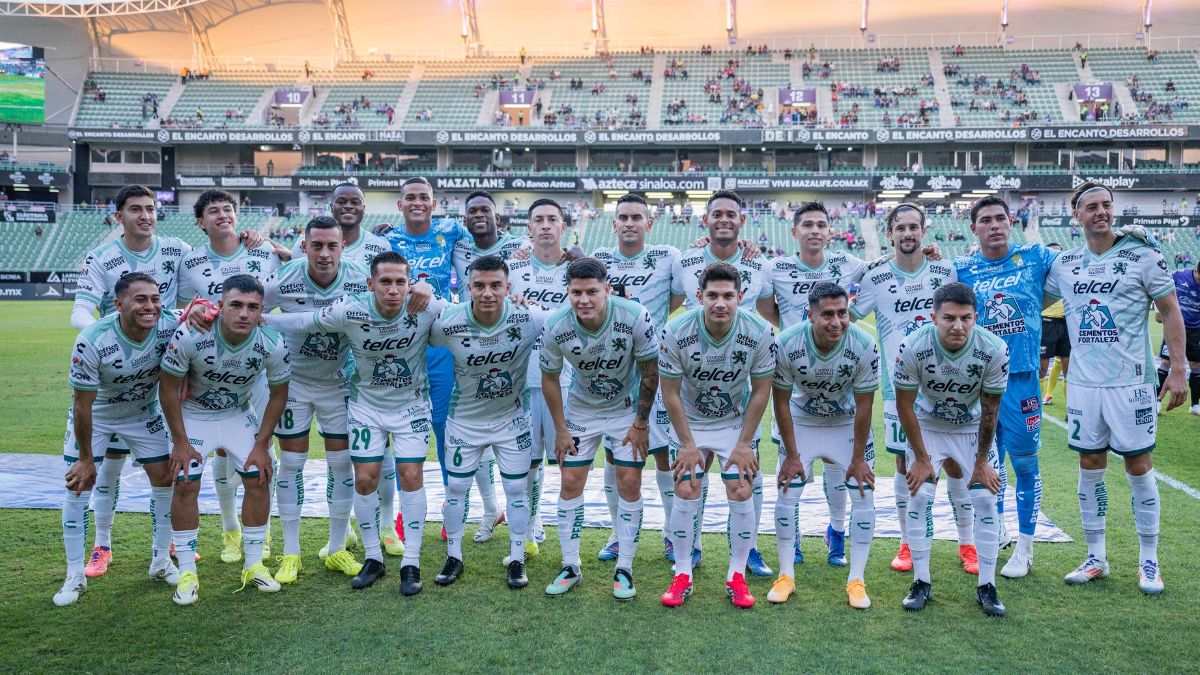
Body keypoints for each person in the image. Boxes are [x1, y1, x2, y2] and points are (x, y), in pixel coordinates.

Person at [265, 251, 444, 595]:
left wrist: (430, 288)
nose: (393, 290)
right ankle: (373, 557)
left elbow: (466, 315)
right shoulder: (351, 309)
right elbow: (305, 321)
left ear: (410, 284)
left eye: (400, 283)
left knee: (410, 476)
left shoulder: (426, 306)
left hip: (411, 408)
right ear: (370, 283)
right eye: (385, 282)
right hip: (366, 408)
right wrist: (263, 320)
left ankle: (412, 561)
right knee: (364, 479)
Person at [1045, 182, 1190, 594]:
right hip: (1085, 386)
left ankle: (1149, 561)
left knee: (1138, 467)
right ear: (1077, 216)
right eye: (1091, 207)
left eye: (1106, 205)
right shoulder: (1066, 264)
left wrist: (1178, 369)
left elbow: (1170, 311)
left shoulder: (1142, 255)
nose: (1101, 212)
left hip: (1132, 385)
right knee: (1090, 465)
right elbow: (1027, 291)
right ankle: (1096, 557)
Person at [69, 184, 192, 578]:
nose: (146, 216)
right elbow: (80, 312)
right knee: (108, 471)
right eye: (136, 209)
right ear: (118, 216)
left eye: (151, 209)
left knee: (164, 473)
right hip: (112, 374)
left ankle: (165, 549)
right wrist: (114, 343)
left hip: (154, 380)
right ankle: (102, 545)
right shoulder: (101, 257)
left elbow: (215, 266)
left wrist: (258, 241)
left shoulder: (176, 249)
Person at [848, 204, 976, 576]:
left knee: (953, 462)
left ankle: (966, 542)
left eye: (913, 227)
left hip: (949, 382)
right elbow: (848, 317)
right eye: (900, 228)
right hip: (898, 387)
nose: (907, 234)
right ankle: (907, 542)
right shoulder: (875, 278)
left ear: (923, 231)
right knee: (906, 464)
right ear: (890, 234)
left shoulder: (944, 271)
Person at [159, 275, 290, 605]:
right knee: (185, 482)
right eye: (236, 305)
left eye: (252, 307)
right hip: (193, 416)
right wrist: (179, 440)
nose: (244, 313)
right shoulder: (193, 332)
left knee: (260, 477)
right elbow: (168, 389)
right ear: (220, 306)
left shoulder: (271, 341)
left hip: (236, 413)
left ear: (262, 311)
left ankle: (254, 564)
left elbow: (278, 395)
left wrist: (262, 444)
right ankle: (187, 572)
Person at [55, 273, 183, 606]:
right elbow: (82, 403)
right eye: (140, 299)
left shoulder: (169, 324)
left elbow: (205, 317)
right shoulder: (92, 339)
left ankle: (160, 561)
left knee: (165, 480)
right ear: (118, 304)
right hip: (97, 417)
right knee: (77, 486)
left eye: (155, 298)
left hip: (143, 413)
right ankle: (74, 575)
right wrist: (85, 459)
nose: (150, 306)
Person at [539, 258, 659, 600]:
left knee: (630, 482)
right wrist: (561, 429)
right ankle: (570, 565)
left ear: (607, 289)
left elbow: (651, 372)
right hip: (581, 411)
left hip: (624, 412)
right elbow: (549, 378)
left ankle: (625, 567)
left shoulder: (635, 316)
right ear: (568, 292)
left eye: (592, 291)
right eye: (576, 292)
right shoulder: (556, 324)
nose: (584, 299)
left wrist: (640, 423)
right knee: (570, 481)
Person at [429, 255, 550, 590]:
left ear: (508, 288)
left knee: (516, 489)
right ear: (467, 288)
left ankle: (517, 558)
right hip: (464, 420)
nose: (487, 292)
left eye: (496, 285)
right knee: (455, 489)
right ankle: (454, 556)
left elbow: (571, 320)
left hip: (512, 420)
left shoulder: (529, 317)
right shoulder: (448, 323)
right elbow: (417, 332)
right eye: (479, 285)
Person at [658, 262, 775, 608]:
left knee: (741, 487)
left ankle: (736, 575)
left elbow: (761, 390)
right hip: (689, 420)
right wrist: (688, 444)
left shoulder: (760, 331)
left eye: (728, 296)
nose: (720, 303)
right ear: (699, 297)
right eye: (712, 296)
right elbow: (671, 392)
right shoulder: (677, 330)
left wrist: (743, 444)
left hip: (733, 422)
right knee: (686, 484)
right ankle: (682, 573)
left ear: (740, 297)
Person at [758, 201, 868, 569]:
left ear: (831, 230)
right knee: (791, 468)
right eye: (807, 225)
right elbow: (764, 305)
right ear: (795, 232)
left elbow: (882, 278)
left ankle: (836, 532)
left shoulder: (850, 265)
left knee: (837, 475)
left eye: (822, 224)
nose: (815, 230)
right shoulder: (778, 268)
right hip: (795, 371)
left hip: (837, 374)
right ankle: (796, 537)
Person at [953, 195, 1058, 579]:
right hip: (978, 379)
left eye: (1001, 218)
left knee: (1025, 462)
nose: (995, 225)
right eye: (986, 220)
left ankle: (1025, 548)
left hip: (1022, 377)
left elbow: (1081, 269)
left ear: (1010, 222)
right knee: (985, 460)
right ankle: (995, 531)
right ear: (974, 227)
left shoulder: (1035, 256)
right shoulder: (961, 268)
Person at [261, 216, 371, 583]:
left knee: (342, 466)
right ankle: (291, 553)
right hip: (292, 383)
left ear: (343, 247)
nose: (325, 254)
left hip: (339, 383)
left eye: (332, 246)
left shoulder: (358, 276)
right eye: (317, 246)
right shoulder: (285, 277)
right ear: (303, 246)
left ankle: (336, 549)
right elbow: (251, 309)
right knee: (291, 464)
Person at [177, 190, 282, 562]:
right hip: (211, 366)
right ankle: (229, 530)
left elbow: (293, 277)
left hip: (257, 363)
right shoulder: (189, 262)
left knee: (261, 449)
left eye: (228, 209)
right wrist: (188, 312)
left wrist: (279, 247)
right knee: (221, 447)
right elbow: (177, 307)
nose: (222, 215)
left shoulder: (262, 249)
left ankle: (262, 534)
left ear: (237, 216)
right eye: (213, 211)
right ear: (201, 222)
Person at [894, 282, 1011, 616]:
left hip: (971, 427)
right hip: (928, 424)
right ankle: (921, 581)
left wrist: (981, 463)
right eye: (949, 318)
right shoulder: (913, 345)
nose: (958, 326)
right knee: (918, 495)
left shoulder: (994, 348)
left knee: (986, 498)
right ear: (934, 317)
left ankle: (987, 586)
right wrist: (919, 458)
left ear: (976, 317)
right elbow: (904, 405)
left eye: (965, 318)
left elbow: (990, 409)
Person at [670, 190, 771, 576]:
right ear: (706, 220)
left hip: (737, 392)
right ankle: (688, 550)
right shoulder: (687, 259)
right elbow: (670, 303)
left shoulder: (759, 262)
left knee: (746, 477)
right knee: (691, 474)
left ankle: (748, 554)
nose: (724, 220)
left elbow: (769, 312)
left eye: (731, 214)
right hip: (693, 381)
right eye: (717, 214)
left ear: (742, 221)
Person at [772, 283, 880, 608]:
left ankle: (857, 580)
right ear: (810, 315)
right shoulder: (788, 342)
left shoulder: (863, 343)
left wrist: (858, 459)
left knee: (863, 493)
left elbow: (864, 406)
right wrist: (791, 455)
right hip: (802, 420)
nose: (836, 322)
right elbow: (780, 401)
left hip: (845, 421)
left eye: (843, 313)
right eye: (827, 315)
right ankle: (786, 575)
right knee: (787, 491)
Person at [591, 193, 684, 564]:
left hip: (656, 372)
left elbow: (677, 297)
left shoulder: (667, 258)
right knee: (615, 458)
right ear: (613, 224)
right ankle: (617, 534)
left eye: (636, 217)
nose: (629, 223)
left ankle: (670, 533)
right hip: (612, 375)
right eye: (623, 217)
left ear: (650, 223)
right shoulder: (598, 260)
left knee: (663, 456)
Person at [379, 177, 467, 497]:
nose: (417, 202)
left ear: (434, 204)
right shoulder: (387, 240)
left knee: (445, 426)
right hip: (401, 344)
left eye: (424, 197)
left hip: (441, 342)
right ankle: (403, 510)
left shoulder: (451, 231)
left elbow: (491, 242)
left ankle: (451, 505)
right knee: (400, 429)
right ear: (399, 205)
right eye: (410, 198)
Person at [450, 190, 527, 543]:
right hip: (468, 341)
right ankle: (488, 508)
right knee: (472, 434)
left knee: (525, 445)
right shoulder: (457, 242)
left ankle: (529, 523)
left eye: (486, 210)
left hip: (513, 340)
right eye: (473, 211)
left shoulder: (518, 246)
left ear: (499, 217)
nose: (479, 215)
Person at [508, 198, 575, 553]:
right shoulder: (511, 270)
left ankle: (568, 543)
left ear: (563, 226)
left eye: (553, 219)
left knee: (569, 463)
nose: (546, 225)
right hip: (522, 381)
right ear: (529, 229)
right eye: (539, 220)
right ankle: (531, 529)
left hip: (568, 383)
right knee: (529, 464)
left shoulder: (579, 268)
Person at [290, 183, 391, 269]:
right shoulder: (304, 245)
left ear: (363, 208)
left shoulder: (381, 247)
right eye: (341, 202)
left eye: (355, 202)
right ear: (331, 207)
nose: (348, 206)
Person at [1155, 260, 1200, 415]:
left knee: (1196, 365)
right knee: (1166, 362)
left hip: (1195, 330)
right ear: (1196, 271)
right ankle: (1156, 401)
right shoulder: (1179, 276)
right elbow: (1159, 287)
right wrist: (1157, 312)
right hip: (1175, 327)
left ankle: (1195, 405)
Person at [1039, 243, 1070, 406]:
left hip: (1066, 324)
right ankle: (1036, 409)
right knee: (1041, 370)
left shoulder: (1069, 272)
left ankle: (1072, 411)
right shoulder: (1042, 274)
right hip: (1047, 323)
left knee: (1069, 372)